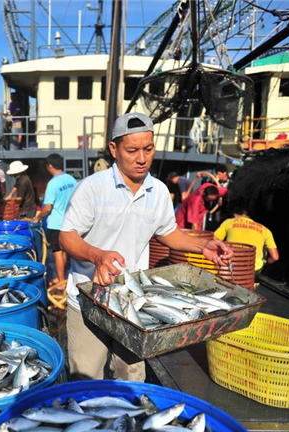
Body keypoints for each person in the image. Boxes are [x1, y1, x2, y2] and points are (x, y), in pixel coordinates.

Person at [59, 112, 233, 382]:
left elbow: (169, 233)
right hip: (88, 299)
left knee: (131, 379)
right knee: (87, 381)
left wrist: (203, 245)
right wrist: (97, 256)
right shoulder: (92, 188)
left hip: (133, 301)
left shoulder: (159, 191)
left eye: (148, 149)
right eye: (132, 150)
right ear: (114, 149)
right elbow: (67, 236)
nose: (141, 158)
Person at [32, 153, 77, 285]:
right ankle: (64, 277)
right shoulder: (71, 179)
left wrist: (37, 218)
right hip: (70, 221)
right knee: (65, 250)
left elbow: (47, 207)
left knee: (57, 251)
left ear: (50, 166)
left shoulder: (52, 183)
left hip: (56, 223)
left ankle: (61, 280)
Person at [214, 207, 279, 273]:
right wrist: (264, 263)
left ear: (235, 215)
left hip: (229, 263)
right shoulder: (265, 230)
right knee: (264, 250)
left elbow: (214, 240)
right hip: (252, 267)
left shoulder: (229, 222)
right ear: (249, 216)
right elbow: (275, 257)